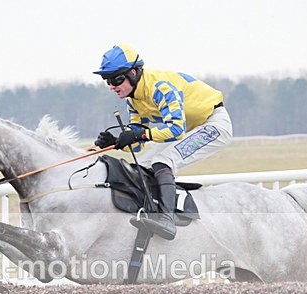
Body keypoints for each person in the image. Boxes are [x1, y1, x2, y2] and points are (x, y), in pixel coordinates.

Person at [93, 44, 233, 240]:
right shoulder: (132, 100)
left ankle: (166, 219)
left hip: (214, 124)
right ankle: (147, 212)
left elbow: (175, 129)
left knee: (163, 160)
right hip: (190, 128)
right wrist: (116, 141)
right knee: (140, 166)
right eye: (106, 80)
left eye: (116, 79)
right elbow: (138, 143)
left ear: (133, 73)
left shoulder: (160, 87)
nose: (111, 86)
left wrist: (139, 134)